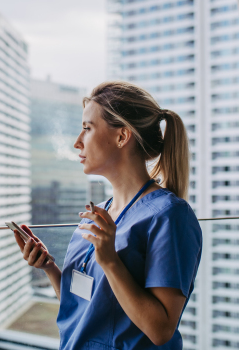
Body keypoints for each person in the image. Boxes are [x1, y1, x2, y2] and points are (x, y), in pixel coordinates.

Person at [14, 81, 202, 349]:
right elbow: (84, 304)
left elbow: (160, 330)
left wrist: (111, 261)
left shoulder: (169, 216)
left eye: (87, 129)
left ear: (122, 136)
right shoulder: (97, 214)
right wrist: (49, 267)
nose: (77, 142)